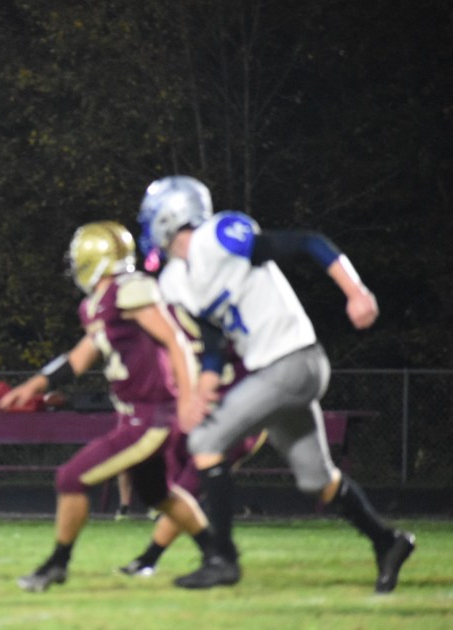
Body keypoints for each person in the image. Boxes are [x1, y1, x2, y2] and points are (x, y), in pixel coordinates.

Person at [136, 175, 416, 591]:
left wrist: (355, 292)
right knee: (317, 481)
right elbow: (214, 343)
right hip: (272, 372)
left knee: (206, 443)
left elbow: (308, 242)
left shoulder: (218, 236)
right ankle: (388, 541)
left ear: (172, 216)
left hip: (294, 360)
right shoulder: (175, 279)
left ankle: (222, 560)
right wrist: (201, 391)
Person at [0, 220, 218, 593]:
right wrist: (36, 384)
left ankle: (56, 564)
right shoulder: (97, 305)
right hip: (139, 416)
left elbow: (176, 341)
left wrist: (187, 400)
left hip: (152, 416)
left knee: (71, 478)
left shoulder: (129, 290)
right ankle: (217, 555)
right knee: (159, 495)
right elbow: (81, 356)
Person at [120, 257, 267, 576]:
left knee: (187, 486)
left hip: (235, 413)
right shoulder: (171, 318)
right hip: (199, 415)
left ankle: (151, 559)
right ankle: (211, 553)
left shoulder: (228, 317)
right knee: (168, 485)